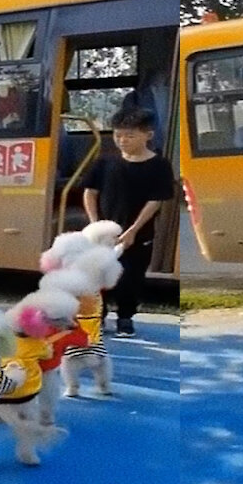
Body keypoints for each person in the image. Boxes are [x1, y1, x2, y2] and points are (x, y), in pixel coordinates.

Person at [82, 107, 175, 337]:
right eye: (118, 135)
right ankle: (97, 316)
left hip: (139, 234)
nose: (122, 141)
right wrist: (96, 226)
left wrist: (134, 230)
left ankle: (125, 318)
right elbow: (90, 192)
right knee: (97, 277)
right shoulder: (104, 162)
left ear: (148, 135)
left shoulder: (159, 165)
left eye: (130, 136)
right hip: (104, 235)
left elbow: (156, 200)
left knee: (131, 277)